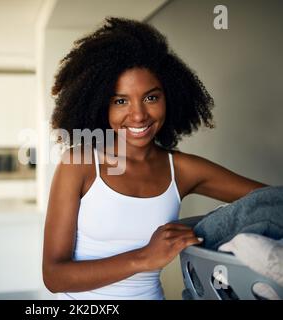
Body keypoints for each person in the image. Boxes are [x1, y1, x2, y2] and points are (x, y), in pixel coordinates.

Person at [42, 17, 267, 300]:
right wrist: (145, 258)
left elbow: (269, 202)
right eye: (120, 101)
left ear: (169, 97)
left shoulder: (182, 170)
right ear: (100, 104)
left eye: (151, 98)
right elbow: (54, 275)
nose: (138, 115)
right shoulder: (80, 163)